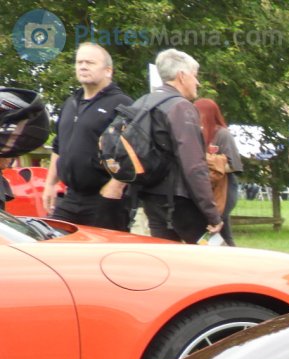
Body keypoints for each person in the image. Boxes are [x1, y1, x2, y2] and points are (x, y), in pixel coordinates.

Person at [41, 43, 132, 231]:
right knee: (56, 248)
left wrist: (115, 187)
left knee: (101, 257)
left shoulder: (122, 104)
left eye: (90, 62)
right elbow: (58, 146)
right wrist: (50, 184)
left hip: (103, 198)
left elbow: (135, 150)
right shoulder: (70, 103)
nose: (83, 66)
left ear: (108, 71)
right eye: (79, 62)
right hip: (70, 197)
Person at [135, 50, 223, 243]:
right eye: (195, 76)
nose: (197, 83)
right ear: (182, 76)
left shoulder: (143, 103)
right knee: (214, 261)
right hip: (179, 202)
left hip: (151, 197)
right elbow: (194, 166)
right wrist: (212, 212)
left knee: (167, 262)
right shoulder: (180, 107)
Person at [194, 98, 241, 245]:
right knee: (217, 232)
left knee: (220, 229)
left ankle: (234, 261)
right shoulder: (195, 133)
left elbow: (234, 165)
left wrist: (211, 164)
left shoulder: (222, 134)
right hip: (206, 190)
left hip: (224, 190)